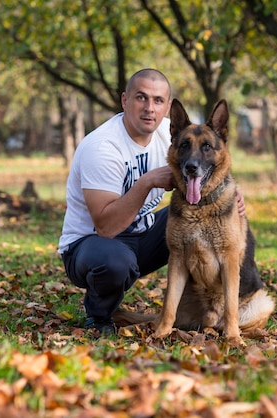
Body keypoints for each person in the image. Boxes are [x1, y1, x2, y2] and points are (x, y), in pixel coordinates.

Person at [58, 68, 245, 336]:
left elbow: (209, 161)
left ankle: (209, 309)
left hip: (139, 233)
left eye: (158, 101)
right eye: (141, 98)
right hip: (91, 246)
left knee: (213, 224)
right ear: (125, 100)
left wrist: (230, 194)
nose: (149, 108)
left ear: (167, 108)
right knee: (115, 261)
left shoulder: (172, 139)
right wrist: (147, 181)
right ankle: (99, 316)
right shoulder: (102, 147)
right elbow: (106, 227)